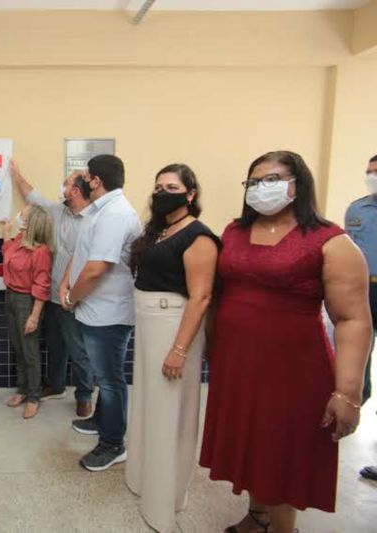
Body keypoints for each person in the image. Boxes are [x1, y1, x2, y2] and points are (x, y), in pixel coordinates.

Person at [200, 151, 371, 533]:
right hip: (238, 362)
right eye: (254, 182)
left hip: (294, 370)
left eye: (272, 179)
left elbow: (353, 319)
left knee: (282, 450)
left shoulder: (330, 241)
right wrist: (211, 344)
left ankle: (283, 527)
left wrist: (347, 392)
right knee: (251, 443)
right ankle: (258, 514)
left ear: (299, 184)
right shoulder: (233, 232)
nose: (262, 189)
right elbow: (221, 292)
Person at [125, 164, 219, 532]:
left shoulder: (199, 237)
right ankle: (144, 480)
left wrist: (179, 350)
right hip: (150, 324)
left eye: (173, 187)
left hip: (173, 327)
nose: (163, 192)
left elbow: (201, 297)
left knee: (168, 414)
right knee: (149, 408)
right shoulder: (161, 231)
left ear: (191, 194)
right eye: (159, 186)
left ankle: (164, 503)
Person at [61, 154, 141, 472]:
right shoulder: (99, 211)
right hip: (93, 309)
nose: (81, 182)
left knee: (110, 380)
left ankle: (112, 443)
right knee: (102, 375)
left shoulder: (117, 214)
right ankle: (101, 419)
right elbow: (82, 255)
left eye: (85, 177)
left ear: (96, 181)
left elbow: (96, 269)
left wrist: (71, 297)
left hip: (109, 313)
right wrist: (67, 284)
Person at [10, 160, 95, 417]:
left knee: (78, 349)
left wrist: (72, 294)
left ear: (76, 191)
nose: (63, 185)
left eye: (67, 182)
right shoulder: (57, 211)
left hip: (75, 297)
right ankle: (57, 385)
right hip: (51, 295)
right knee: (55, 345)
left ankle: (84, 396)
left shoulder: (93, 220)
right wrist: (16, 174)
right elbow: (32, 195)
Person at [2, 204, 53, 419]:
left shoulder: (41, 251)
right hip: (11, 297)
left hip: (27, 301)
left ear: (32, 223)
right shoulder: (19, 240)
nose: (19, 216)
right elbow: (6, 252)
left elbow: (42, 286)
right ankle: (22, 389)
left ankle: (34, 396)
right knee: (18, 347)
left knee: (29, 351)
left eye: (23, 215)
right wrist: (6, 233)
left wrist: (34, 316)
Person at [351, 154, 377, 482]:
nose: (372, 177)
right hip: (365, 292)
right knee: (360, 370)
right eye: (369, 171)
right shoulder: (356, 210)